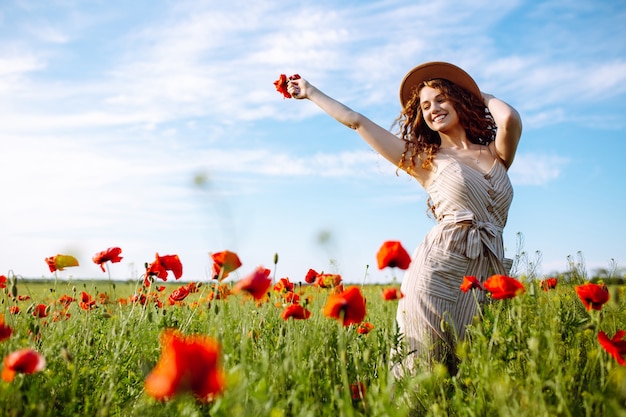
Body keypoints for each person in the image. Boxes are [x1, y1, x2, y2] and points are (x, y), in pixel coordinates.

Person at [286, 61, 522, 376]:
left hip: (486, 273)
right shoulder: (425, 159)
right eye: (425, 106)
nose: (433, 109)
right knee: (422, 372)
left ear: (460, 101)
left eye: (441, 99)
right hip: (437, 272)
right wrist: (310, 92)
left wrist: (477, 94)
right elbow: (357, 122)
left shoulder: (495, 154)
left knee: (473, 377)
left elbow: (508, 118)